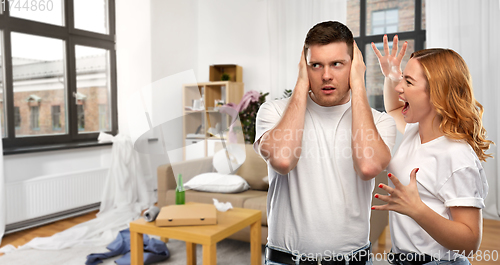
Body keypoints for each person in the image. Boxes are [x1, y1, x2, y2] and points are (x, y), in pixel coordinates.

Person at [254, 21, 397, 265]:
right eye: (316, 65)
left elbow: (368, 166)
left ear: (353, 66)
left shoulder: (380, 122)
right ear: (303, 67)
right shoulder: (273, 112)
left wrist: (359, 84)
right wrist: (301, 84)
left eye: (337, 64)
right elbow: (283, 159)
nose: (326, 75)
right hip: (285, 261)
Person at [371, 35, 492, 265]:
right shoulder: (415, 131)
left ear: (436, 94)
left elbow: (470, 243)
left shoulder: (457, 155)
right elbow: (395, 107)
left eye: (408, 82)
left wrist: (417, 210)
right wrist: (391, 73)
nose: (399, 87)